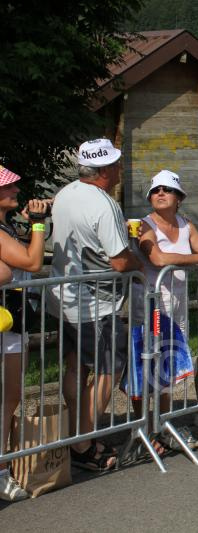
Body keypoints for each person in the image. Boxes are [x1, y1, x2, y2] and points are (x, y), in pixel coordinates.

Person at [48, 139, 142, 471]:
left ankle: (76, 435)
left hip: (64, 296)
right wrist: (139, 264)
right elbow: (118, 261)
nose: (120, 169)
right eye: (116, 164)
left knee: (77, 368)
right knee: (108, 370)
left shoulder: (65, 193)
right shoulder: (104, 204)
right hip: (97, 303)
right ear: (103, 170)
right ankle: (83, 444)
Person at [137, 170, 198, 451]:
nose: (160, 194)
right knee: (149, 363)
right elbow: (158, 258)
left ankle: (163, 424)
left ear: (179, 198)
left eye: (167, 189)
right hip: (152, 303)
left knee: (168, 365)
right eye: (155, 190)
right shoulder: (143, 225)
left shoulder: (185, 223)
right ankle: (145, 426)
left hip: (176, 305)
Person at [0, 165, 49, 501]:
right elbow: (33, 262)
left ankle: (2, 468)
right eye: (9, 187)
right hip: (4, 322)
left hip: (12, 322)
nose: (16, 190)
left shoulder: (5, 226)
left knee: (11, 397)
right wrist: (38, 224)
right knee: (6, 399)